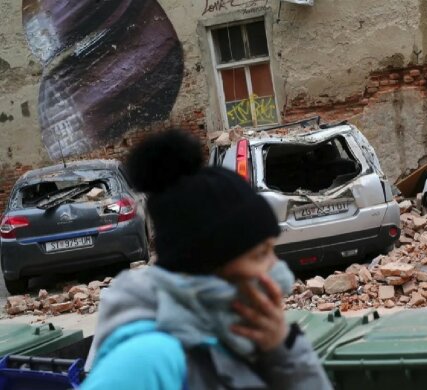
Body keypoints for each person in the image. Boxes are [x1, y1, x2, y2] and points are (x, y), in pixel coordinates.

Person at [81, 129, 332, 389]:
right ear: (206, 266)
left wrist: (282, 351)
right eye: (260, 255)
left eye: (272, 250)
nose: (276, 268)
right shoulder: (149, 359)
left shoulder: (235, 336)